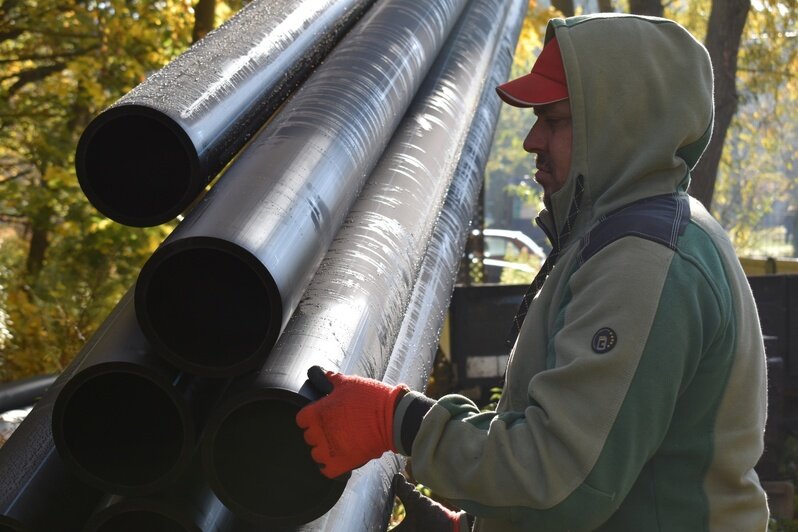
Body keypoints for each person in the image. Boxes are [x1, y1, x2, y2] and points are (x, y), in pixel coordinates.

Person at [296, 13, 769, 531]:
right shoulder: (621, 236)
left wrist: (397, 421)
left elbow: (560, 484)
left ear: (618, 121)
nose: (531, 141)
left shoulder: (645, 259)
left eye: (555, 119)